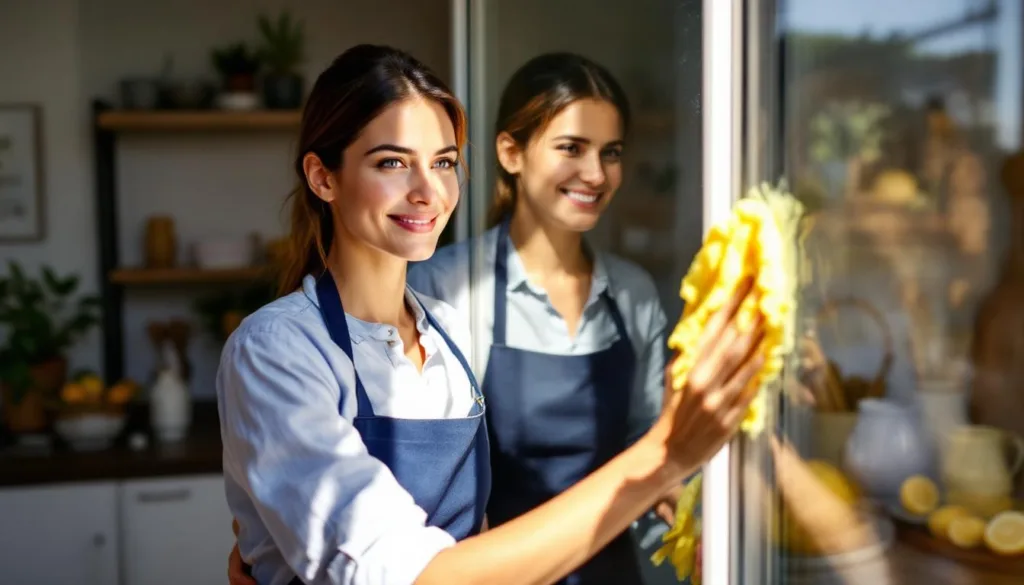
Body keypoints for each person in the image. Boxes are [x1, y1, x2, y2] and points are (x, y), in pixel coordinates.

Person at [218, 44, 766, 585]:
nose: (428, 191)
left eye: (444, 163)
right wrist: (663, 456)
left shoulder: (448, 333)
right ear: (323, 178)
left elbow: (472, 535)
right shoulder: (276, 350)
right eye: (392, 162)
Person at [405, 52, 674, 584]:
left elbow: (650, 447)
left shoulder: (634, 293)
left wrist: (692, 516)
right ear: (511, 152)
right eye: (572, 148)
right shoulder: (443, 288)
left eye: (611, 152)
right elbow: (417, 483)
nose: (596, 174)